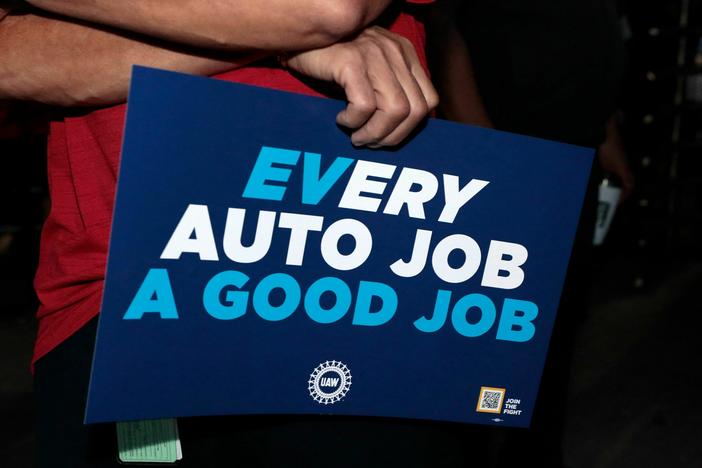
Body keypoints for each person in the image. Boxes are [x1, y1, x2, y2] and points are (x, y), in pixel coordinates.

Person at [0, 1, 456, 466]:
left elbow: (325, 9)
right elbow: (11, 59)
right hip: (116, 292)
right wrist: (282, 41)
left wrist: (280, 32)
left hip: (345, 281)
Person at [428, 1, 631, 466]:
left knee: (557, 320)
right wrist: (483, 149)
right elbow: (443, 23)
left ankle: (534, 454)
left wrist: (606, 134)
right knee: (479, 328)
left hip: (573, 150)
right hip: (507, 144)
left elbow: (594, 28)